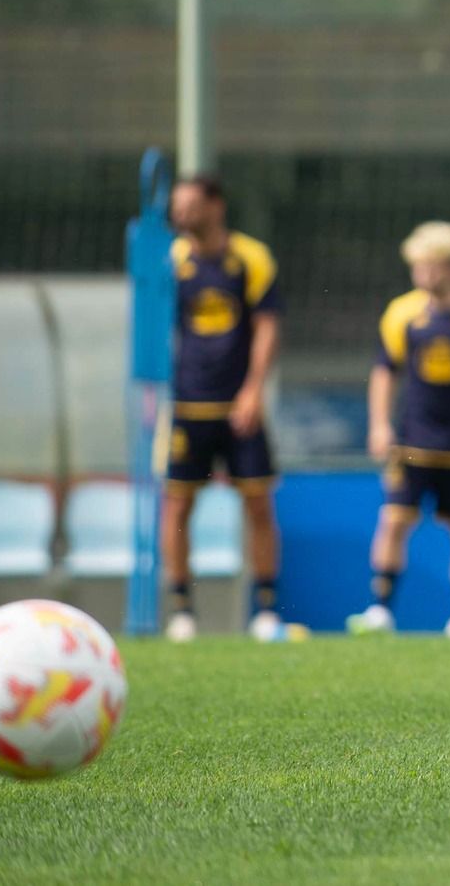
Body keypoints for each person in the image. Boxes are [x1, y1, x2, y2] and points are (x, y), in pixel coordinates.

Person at [348, 222, 450, 641]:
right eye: (417, 265)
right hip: (411, 443)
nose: (421, 273)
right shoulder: (402, 313)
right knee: (394, 520)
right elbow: (384, 372)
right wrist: (379, 424)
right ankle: (381, 609)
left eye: (429, 265)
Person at [163, 174, 284, 642]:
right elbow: (157, 326)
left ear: (216, 206)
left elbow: (267, 326)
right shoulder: (172, 260)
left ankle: (267, 609)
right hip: (187, 405)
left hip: (239, 407)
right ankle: (182, 612)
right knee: (178, 505)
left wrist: (253, 390)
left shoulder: (251, 258)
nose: (181, 214)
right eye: (177, 206)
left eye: (190, 205)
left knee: (257, 503)